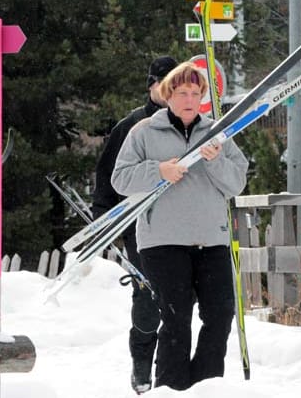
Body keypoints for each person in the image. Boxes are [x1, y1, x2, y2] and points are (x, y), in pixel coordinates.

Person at [111, 62, 248, 391]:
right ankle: (171, 389)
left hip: (211, 240)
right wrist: (158, 171)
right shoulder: (143, 132)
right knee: (176, 320)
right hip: (163, 242)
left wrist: (215, 161)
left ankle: (204, 387)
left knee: (220, 316)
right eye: (182, 93)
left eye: (195, 93)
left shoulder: (217, 134)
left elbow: (236, 183)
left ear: (203, 96)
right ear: (167, 95)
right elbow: (121, 179)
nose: (189, 99)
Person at [91, 55, 178, 394]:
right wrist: (103, 218)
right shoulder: (131, 127)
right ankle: (142, 370)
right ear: (152, 86)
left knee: (179, 301)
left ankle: (169, 372)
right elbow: (106, 175)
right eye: (164, 84)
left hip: (180, 225)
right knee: (149, 300)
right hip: (138, 226)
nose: (171, 91)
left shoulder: (187, 122)